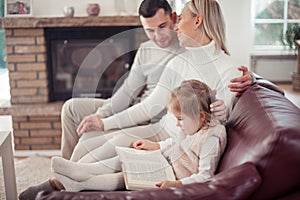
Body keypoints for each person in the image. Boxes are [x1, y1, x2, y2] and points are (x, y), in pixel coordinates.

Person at [19, 0, 253, 198]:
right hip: (163, 130)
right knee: (92, 141)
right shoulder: (179, 61)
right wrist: (103, 120)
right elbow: (151, 104)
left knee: (117, 143)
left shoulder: (229, 69)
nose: (176, 28)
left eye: (180, 19)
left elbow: (221, 117)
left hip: (175, 139)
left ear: (198, 21)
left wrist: (249, 84)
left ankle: (57, 186)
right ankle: (63, 179)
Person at [50, 79, 226, 190]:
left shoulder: (211, 138)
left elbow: (205, 176)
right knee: (125, 159)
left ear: (201, 116)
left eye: (180, 119)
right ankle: (81, 171)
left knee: (124, 178)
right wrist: (157, 146)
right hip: (165, 163)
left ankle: (81, 183)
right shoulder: (192, 126)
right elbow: (175, 142)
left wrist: (177, 184)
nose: (177, 124)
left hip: (172, 177)